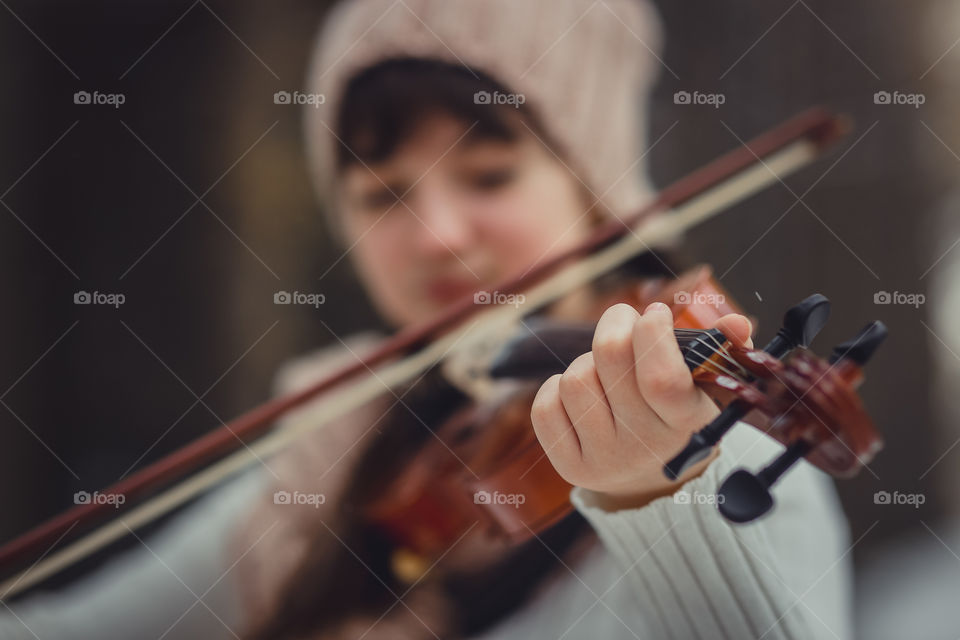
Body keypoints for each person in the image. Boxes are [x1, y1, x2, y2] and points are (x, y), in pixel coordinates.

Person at [0, 1, 853, 638]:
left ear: (596, 196)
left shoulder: (728, 442)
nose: (438, 237)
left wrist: (659, 501)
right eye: (384, 195)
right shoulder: (349, 444)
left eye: (488, 177)